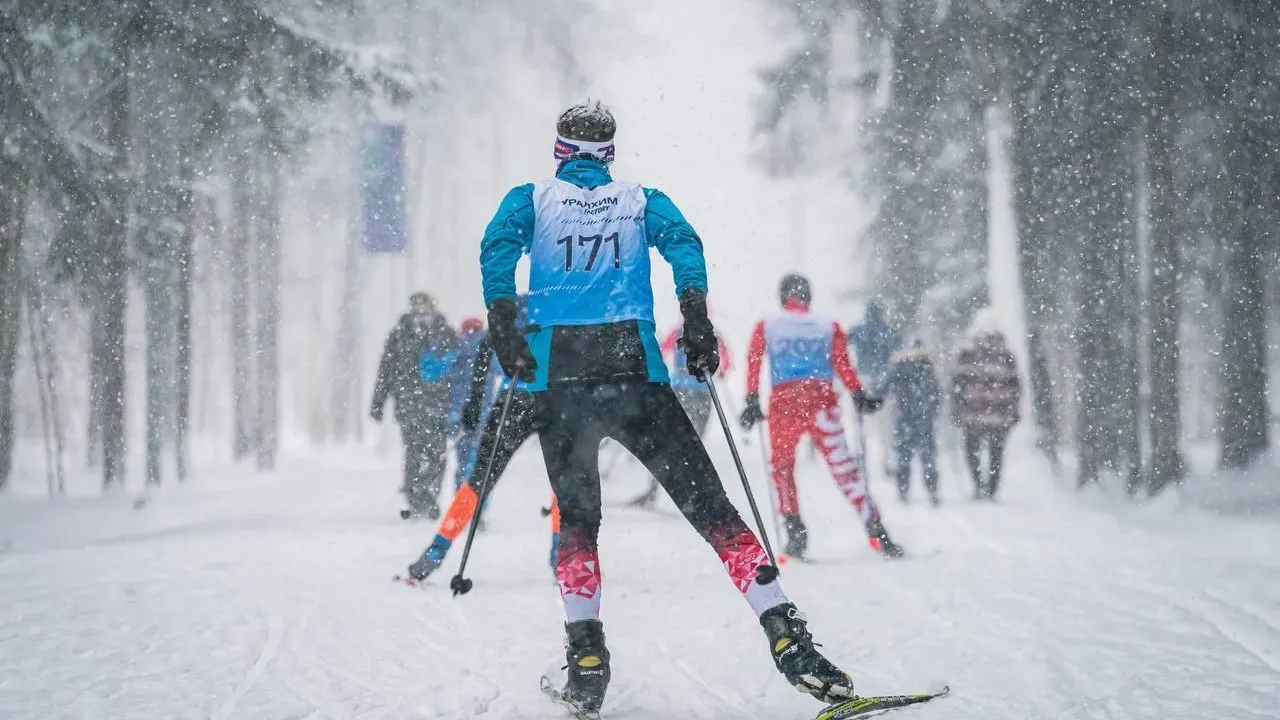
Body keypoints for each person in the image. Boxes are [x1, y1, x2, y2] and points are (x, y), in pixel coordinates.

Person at [480, 101, 858, 716]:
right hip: (635, 372)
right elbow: (684, 245)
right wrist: (698, 316)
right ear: (608, 152)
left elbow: (496, 250)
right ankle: (788, 639)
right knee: (713, 509)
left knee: (578, 522)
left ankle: (588, 661)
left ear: (559, 149)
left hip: (561, 379)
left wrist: (504, 324)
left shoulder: (530, 199)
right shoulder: (638, 198)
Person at [740, 273, 903, 561]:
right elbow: (843, 364)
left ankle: (795, 531)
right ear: (808, 297)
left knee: (782, 467)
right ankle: (876, 530)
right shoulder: (829, 327)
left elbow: (754, 361)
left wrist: (751, 399)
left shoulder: (767, 326)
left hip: (785, 403)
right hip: (821, 402)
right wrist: (858, 395)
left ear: (782, 296)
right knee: (843, 468)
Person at [404, 299, 561, 582]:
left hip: (515, 399)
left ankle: (436, 552)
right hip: (558, 399)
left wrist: (474, 402)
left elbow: (489, 342)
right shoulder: (572, 302)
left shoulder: (522, 305)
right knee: (566, 479)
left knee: (479, 479)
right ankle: (561, 555)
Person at [370, 292, 458, 519]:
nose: (421, 313)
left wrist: (462, 400)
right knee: (414, 450)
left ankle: (430, 494)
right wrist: (378, 402)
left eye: (424, 307)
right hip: (409, 404)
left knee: (437, 451)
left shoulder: (445, 333)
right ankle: (414, 494)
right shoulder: (399, 335)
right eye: (417, 308)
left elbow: (458, 368)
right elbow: (386, 369)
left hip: (438, 404)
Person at [626, 323, 733, 508]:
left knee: (666, 442)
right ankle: (694, 497)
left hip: (679, 391)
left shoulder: (677, 331)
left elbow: (660, 351)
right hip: (701, 393)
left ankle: (653, 492)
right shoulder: (715, 333)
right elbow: (726, 362)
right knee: (693, 445)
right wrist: (721, 372)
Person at [950, 309, 1021, 500]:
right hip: (999, 413)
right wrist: (1014, 411)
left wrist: (956, 408)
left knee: (972, 450)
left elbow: (958, 383)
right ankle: (991, 488)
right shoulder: (1006, 355)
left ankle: (978, 485)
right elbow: (1015, 387)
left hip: (973, 413)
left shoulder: (967, 354)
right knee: (996, 454)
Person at [883, 338, 942, 505]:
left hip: (903, 419)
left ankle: (903, 489)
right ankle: (932, 489)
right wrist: (933, 411)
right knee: (928, 457)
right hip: (925, 419)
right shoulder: (928, 369)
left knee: (903, 456)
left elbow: (883, 387)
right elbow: (936, 395)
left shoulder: (899, 369)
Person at [448, 317, 489, 492]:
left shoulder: (456, 352)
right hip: (484, 412)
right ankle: (479, 503)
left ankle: (460, 502)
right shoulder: (490, 350)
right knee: (480, 460)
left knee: (463, 460)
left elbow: (441, 376)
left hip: (459, 413)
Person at [848, 300, 901, 395]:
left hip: (864, 373)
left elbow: (844, 343)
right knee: (884, 405)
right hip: (884, 375)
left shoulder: (858, 330)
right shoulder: (889, 331)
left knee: (863, 404)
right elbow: (899, 348)